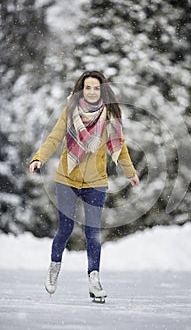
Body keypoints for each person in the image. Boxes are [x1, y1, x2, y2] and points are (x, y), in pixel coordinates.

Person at [29, 70, 139, 303]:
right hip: (67, 179)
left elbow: (119, 147)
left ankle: (94, 280)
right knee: (65, 229)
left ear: (102, 90)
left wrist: (130, 173)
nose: (91, 91)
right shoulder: (70, 112)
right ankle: (54, 267)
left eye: (96, 88)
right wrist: (39, 158)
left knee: (93, 233)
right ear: (81, 89)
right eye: (87, 87)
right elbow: (54, 138)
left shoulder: (108, 116)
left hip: (95, 182)